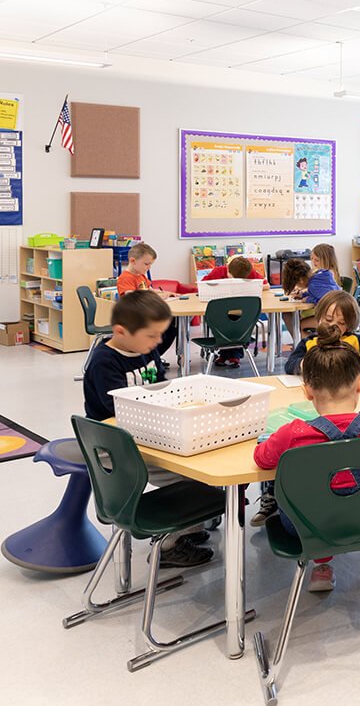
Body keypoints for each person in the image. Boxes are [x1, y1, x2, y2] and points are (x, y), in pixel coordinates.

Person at [254, 322, 360, 592]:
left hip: (305, 528)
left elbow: (262, 459)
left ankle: (321, 563)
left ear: (307, 390)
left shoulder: (291, 434)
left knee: (296, 495)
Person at [82, 290, 212, 568]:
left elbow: (162, 387)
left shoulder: (145, 349)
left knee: (201, 466)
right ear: (121, 331)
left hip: (148, 437)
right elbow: (114, 410)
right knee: (190, 479)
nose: (159, 342)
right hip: (118, 451)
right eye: (152, 335)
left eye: (160, 335)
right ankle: (168, 544)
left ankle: (187, 528)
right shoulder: (104, 362)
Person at [284, 291, 360, 376]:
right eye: (328, 319)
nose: (333, 325)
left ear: (348, 325)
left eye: (341, 323)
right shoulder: (309, 343)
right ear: (318, 318)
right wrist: (304, 364)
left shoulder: (357, 341)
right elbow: (290, 365)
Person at [117, 242, 178, 359]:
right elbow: (133, 297)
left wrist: (167, 293)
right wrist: (157, 297)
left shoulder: (141, 275)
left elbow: (149, 289)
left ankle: (153, 358)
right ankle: (150, 358)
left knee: (171, 327)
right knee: (164, 330)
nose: (149, 267)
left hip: (146, 314)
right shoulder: (125, 278)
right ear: (133, 261)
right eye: (146, 264)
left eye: (150, 264)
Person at [204, 256, 266, 368]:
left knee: (237, 321)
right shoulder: (218, 272)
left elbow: (266, 285)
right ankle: (230, 354)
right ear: (228, 269)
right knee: (225, 321)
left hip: (241, 312)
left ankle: (229, 354)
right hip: (220, 311)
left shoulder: (249, 272)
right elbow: (202, 286)